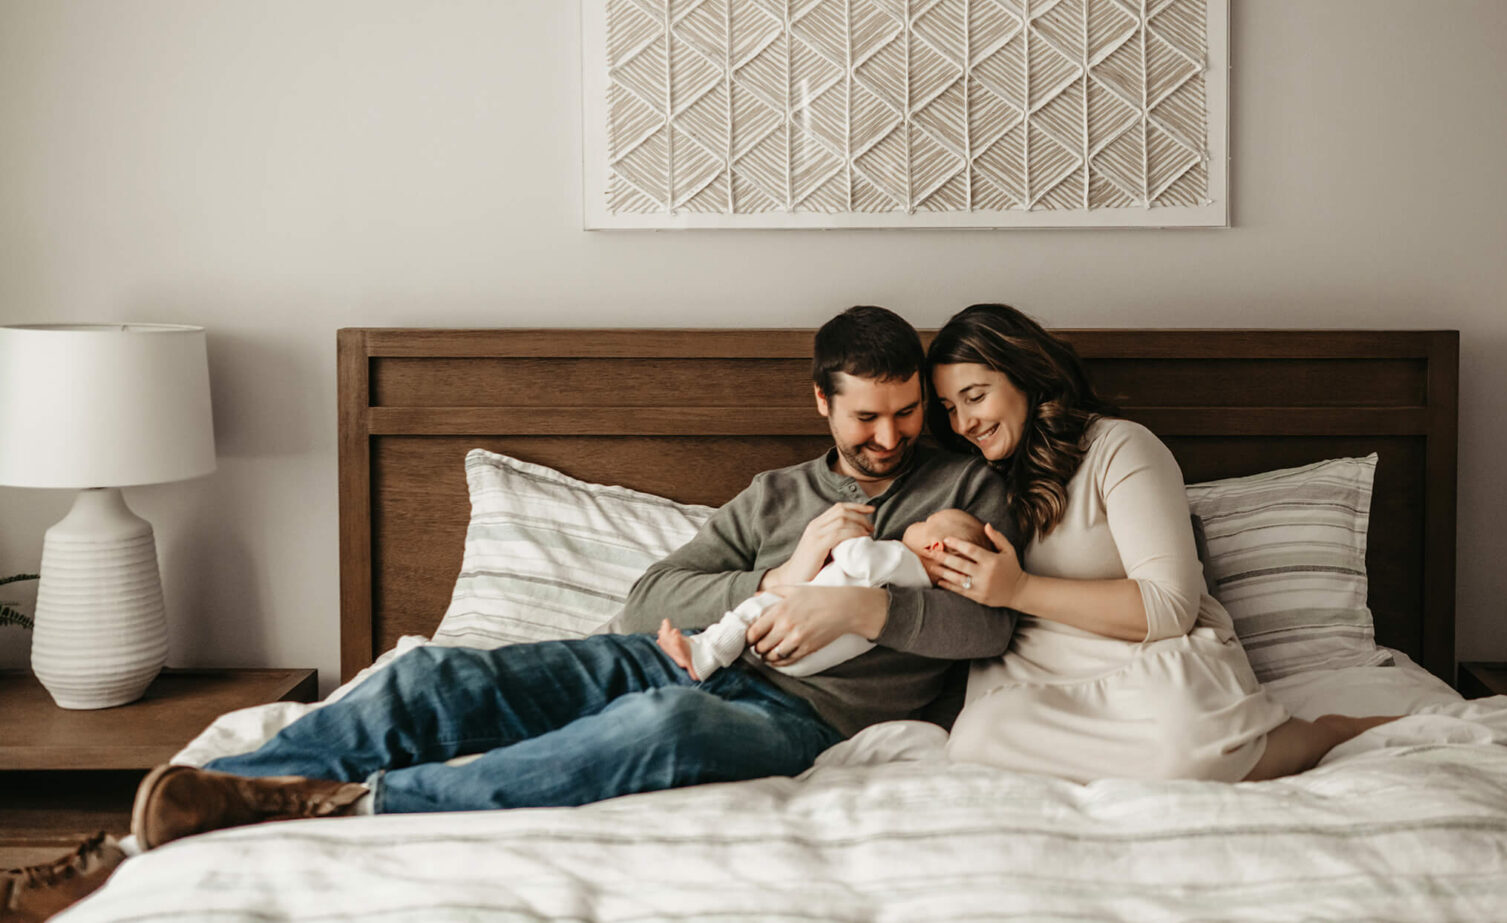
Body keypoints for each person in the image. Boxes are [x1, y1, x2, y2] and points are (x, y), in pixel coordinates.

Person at [3, 306, 1019, 921]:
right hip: (681, 656)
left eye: (906, 413)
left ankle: (355, 803)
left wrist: (862, 601)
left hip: (801, 712)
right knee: (424, 676)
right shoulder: (771, 494)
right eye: (866, 415)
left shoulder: (967, 490)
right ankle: (184, 812)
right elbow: (648, 597)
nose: (890, 435)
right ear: (820, 404)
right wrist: (785, 574)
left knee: (653, 730)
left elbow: (988, 625)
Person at [923, 303, 1397, 784]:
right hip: (1040, 676)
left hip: (1148, 659)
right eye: (948, 409)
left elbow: (1169, 607)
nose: (963, 423)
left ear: (1025, 377)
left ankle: (1324, 734)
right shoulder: (978, 480)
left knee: (1185, 751)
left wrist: (1019, 590)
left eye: (975, 397)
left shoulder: (1119, 447)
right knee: (976, 743)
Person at [656, 509, 995, 680]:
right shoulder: (918, 584)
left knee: (752, 609)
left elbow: (857, 558)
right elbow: (651, 592)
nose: (916, 522)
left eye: (926, 522)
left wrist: (845, 538)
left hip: (787, 647)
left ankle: (706, 652)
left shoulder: (900, 558)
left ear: (933, 547)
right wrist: (785, 572)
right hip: (804, 660)